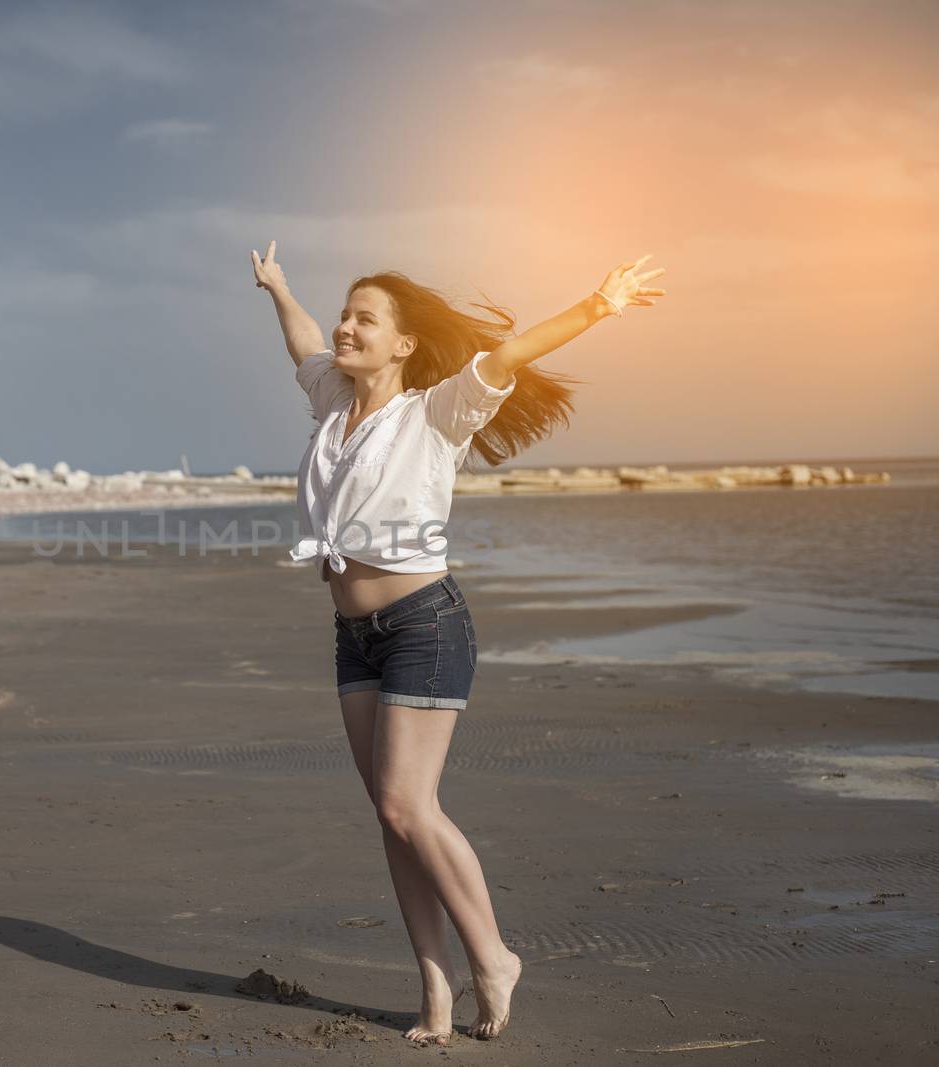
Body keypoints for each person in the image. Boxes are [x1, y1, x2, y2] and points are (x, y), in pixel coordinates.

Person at [250, 240, 666, 1045]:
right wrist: (279, 287)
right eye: (346, 312)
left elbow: (508, 351)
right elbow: (301, 339)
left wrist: (599, 304)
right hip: (353, 635)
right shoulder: (332, 399)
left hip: (423, 626)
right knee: (390, 814)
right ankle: (435, 994)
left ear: (403, 343)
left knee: (410, 803)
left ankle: (494, 957)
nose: (345, 326)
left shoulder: (437, 410)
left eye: (364, 318)